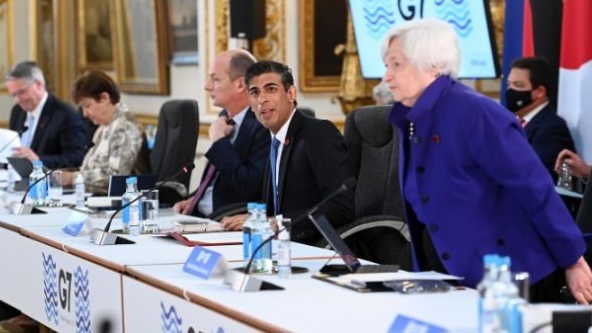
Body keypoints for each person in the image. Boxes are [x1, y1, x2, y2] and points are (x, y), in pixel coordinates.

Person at [382, 18, 592, 303]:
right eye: (387, 65)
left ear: (432, 65)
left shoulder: (476, 112)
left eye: (396, 64)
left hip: (507, 279)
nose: (387, 77)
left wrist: (573, 260)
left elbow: (533, 186)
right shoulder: (411, 117)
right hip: (449, 275)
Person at [222, 60, 353, 244]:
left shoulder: (318, 133)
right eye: (255, 93)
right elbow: (279, 204)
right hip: (279, 244)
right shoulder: (274, 139)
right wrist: (256, 218)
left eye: (271, 89)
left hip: (315, 246)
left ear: (291, 94)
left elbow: (341, 205)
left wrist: (279, 224)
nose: (262, 99)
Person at [173, 49, 269, 217]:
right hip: (199, 216)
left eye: (215, 79)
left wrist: (218, 141)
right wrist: (195, 199)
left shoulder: (263, 125)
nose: (207, 86)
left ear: (240, 85)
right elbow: (217, 182)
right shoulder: (224, 118)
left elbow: (249, 187)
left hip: (226, 220)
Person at [61, 71, 142, 194]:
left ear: (104, 98)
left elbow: (116, 177)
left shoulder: (125, 127)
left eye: (87, 106)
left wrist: (73, 178)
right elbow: (89, 168)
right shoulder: (103, 127)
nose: (85, 114)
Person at [505, 57, 575, 181]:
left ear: (540, 91)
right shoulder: (511, 121)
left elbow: (536, 176)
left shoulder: (552, 128)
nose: (510, 90)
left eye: (518, 85)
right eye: (508, 84)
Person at [6, 61, 85, 168]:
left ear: (38, 84)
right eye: (13, 95)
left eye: (21, 92)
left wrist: (38, 160)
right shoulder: (17, 111)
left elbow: (75, 159)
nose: (17, 100)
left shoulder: (65, 115)